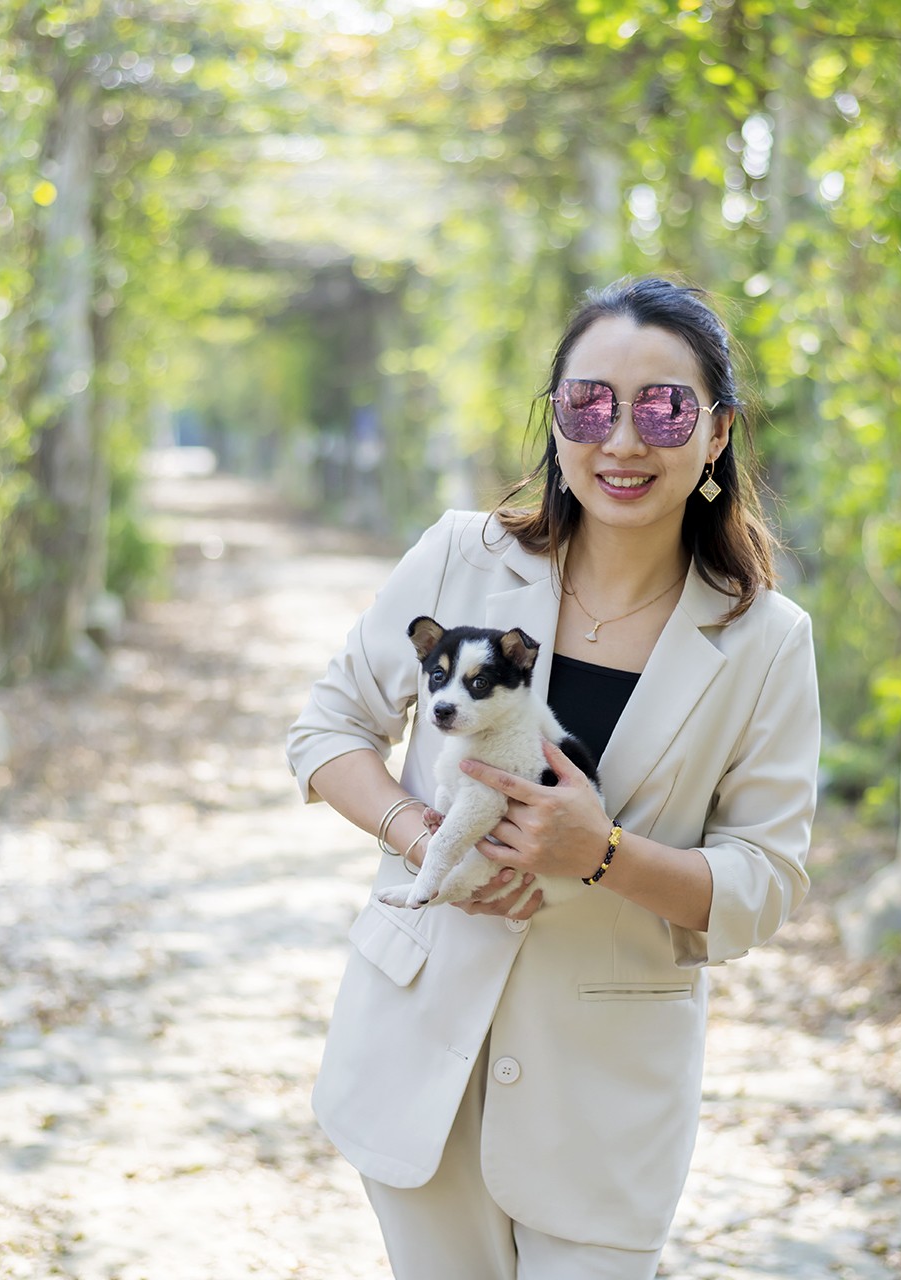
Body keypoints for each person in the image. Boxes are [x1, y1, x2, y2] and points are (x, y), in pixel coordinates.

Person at [285, 275, 820, 1278]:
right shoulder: (460, 557)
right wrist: (424, 837)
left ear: (717, 433)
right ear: (556, 419)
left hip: (604, 1100)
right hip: (418, 1050)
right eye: (589, 403)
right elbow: (329, 729)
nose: (621, 440)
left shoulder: (765, 641)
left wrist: (602, 853)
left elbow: (767, 880)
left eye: (663, 409)